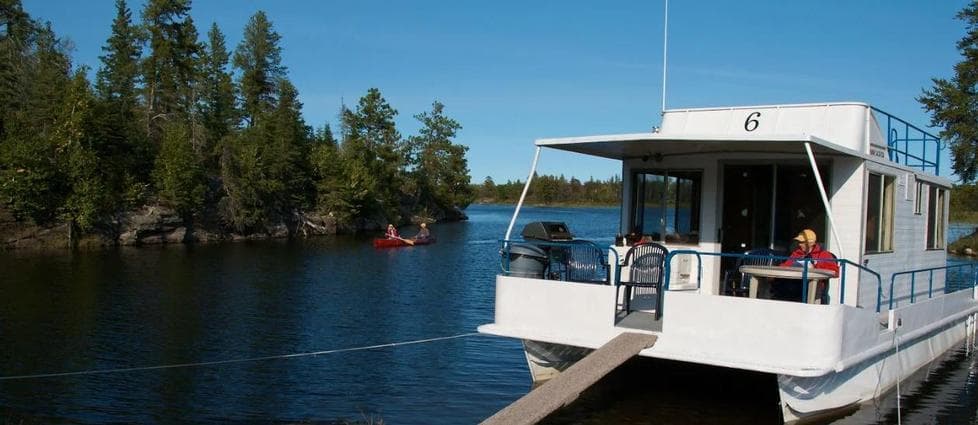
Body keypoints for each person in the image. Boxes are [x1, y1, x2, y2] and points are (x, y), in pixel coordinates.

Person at [778, 229, 839, 303]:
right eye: (799, 242)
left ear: (811, 243)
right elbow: (786, 265)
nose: (799, 244)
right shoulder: (797, 253)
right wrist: (778, 269)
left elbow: (835, 272)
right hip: (795, 283)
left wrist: (815, 267)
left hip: (815, 285)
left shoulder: (824, 255)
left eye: (802, 242)